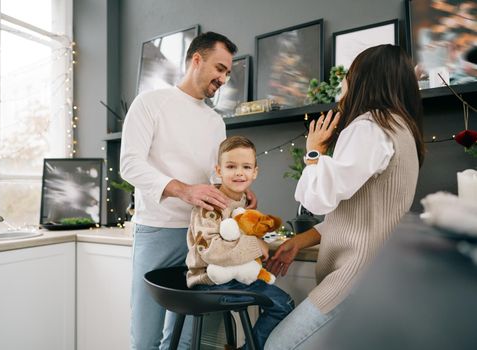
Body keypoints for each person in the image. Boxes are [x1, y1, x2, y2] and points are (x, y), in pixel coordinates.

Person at [264, 44, 426, 349]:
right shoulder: (402, 128)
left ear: (366, 79)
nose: (344, 85)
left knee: (278, 346)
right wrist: (298, 241)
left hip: (354, 279)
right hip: (379, 278)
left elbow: (317, 200)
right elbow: (360, 215)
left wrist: (314, 152)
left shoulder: (369, 126)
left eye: (349, 76)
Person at [120, 32, 256, 350]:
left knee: (183, 339)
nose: (223, 78)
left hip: (204, 237)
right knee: (146, 337)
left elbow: (213, 175)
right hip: (158, 231)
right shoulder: (150, 103)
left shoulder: (215, 121)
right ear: (197, 60)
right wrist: (184, 191)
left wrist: (238, 193)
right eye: (219, 68)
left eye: (227, 73)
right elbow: (129, 164)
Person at [186, 135, 294, 350]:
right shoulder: (211, 204)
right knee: (282, 305)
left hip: (233, 276)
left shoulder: (243, 200)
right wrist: (256, 244)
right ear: (219, 171)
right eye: (231, 166)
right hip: (210, 282)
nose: (239, 172)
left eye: (246, 167)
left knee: (285, 303)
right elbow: (211, 251)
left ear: (255, 171)